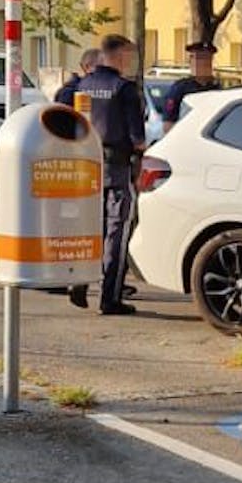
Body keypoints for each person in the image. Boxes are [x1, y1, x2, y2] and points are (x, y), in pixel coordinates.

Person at [69, 34, 145, 316]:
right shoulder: (124, 89)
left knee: (89, 227)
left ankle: (78, 280)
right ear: (121, 55)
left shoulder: (83, 85)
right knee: (117, 230)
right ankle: (110, 297)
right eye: (130, 56)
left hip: (87, 165)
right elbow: (138, 138)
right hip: (117, 167)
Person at [162, 41, 223, 130]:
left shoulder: (218, 89)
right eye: (197, 59)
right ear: (191, 62)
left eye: (206, 59)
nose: (202, 64)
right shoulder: (180, 88)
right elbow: (168, 124)